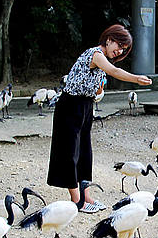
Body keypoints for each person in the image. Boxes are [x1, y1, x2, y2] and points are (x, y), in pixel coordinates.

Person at [47, 24, 152, 211]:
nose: (119, 51)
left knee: (85, 152)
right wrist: (136, 79)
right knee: (69, 152)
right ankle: (76, 201)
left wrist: (98, 89)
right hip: (70, 105)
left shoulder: (101, 61)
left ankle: (87, 197)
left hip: (85, 106)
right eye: (119, 45)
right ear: (109, 39)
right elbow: (115, 72)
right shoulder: (95, 54)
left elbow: (96, 87)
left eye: (124, 49)